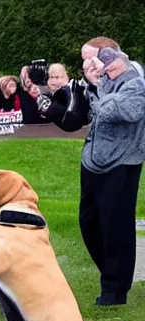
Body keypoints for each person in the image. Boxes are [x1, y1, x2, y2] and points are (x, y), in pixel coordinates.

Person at [33, 42, 145, 306]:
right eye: (87, 64)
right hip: (93, 162)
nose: (92, 68)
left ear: (115, 57)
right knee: (90, 224)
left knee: (116, 227)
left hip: (121, 164)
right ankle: (111, 273)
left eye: (94, 61)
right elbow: (79, 117)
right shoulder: (100, 83)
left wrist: (97, 88)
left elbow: (118, 111)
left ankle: (114, 290)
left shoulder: (135, 82)